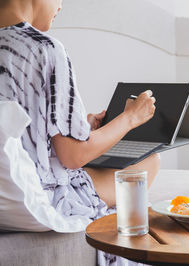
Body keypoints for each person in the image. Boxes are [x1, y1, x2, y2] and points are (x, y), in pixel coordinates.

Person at [0, 0, 160, 265]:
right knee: (150, 162)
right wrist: (130, 118)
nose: (61, 6)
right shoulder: (45, 48)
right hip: (45, 197)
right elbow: (73, 157)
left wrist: (78, 125)